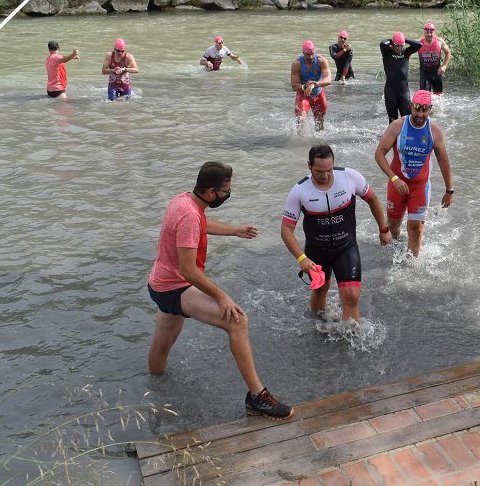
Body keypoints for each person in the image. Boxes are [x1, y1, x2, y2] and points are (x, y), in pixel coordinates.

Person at [146, 161, 294, 421]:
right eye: (227, 192)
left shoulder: (184, 201)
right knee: (238, 320)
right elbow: (189, 270)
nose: (228, 195)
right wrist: (222, 296)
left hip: (159, 283)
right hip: (175, 287)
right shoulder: (191, 216)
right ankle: (257, 397)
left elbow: (202, 223)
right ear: (212, 193)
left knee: (162, 346)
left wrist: (235, 231)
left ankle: (154, 396)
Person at [280, 145, 391, 322]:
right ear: (309, 166)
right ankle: (317, 330)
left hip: (346, 247)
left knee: (351, 297)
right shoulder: (299, 191)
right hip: (317, 252)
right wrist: (302, 258)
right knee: (320, 289)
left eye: (329, 169)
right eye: (319, 171)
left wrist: (383, 229)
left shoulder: (349, 177)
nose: (325, 175)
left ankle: (351, 340)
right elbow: (286, 230)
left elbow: (373, 199)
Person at [373, 90, 454, 258]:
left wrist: (449, 190)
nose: (420, 114)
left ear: (430, 109)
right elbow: (379, 154)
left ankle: (411, 265)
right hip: (397, 185)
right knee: (393, 228)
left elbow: (443, 161)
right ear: (411, 106)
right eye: (417, 109)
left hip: (420, 187)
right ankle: (386, 261)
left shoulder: (434, 131)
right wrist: (394, 178)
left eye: (424, 110)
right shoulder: (398, 126)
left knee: (416, 227)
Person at [379, 32, 422, 122]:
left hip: (404, 92)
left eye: (401, 46)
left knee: (407, 119)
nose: (399, 48)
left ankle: (406, 135)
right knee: (393, 120)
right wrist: (392, 40)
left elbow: (419, 45)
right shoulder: (387, 53)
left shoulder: (406, 52)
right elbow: (383, 43)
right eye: (397, 46)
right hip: (390, 92)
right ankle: (393, 136)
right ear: (392, 44)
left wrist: (404, 39)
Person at [290, 40, 331, 131]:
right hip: (303, 94)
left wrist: (314, 84)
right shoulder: (297, 64)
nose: (311, 56)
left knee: (319, 121)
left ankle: (319, 142)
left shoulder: (321, 61)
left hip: (318, 93)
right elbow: (294, 86)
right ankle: (299, 141)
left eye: (312, 53)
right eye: (308, 54)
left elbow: (328, 79)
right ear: (303, 53)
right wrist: (305, 87)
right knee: (300, 119)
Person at [417, 23, 451, 94]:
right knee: (424, 97)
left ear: (434, 32)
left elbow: (448, 52)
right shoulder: (418, 43)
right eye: (427, 32)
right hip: (424, 74)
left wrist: (444, 66)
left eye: (431, 32)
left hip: (436, 73)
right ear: (424, 32)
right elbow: (408, 53)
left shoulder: (439, 42)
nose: (429, 34)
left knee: (439, 97)